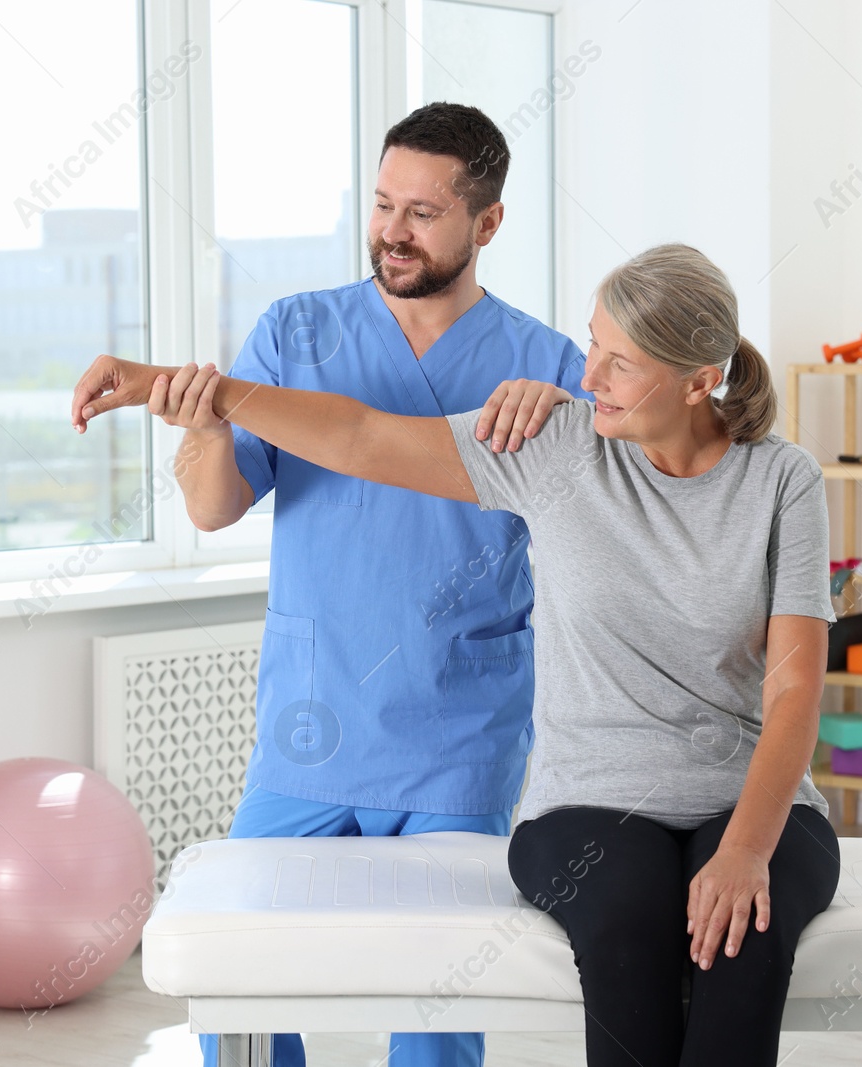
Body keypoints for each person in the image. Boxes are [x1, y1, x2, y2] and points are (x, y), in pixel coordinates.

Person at [71, 243, 841, 1066]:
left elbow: (795, 688)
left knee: (742, 947)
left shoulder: (781, 480)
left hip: (752, 798)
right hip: (594, 798)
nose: (589, 377)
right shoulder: (558, 447)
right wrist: (177, 385)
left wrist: (745, 850)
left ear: (699, 381)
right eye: (592, 347)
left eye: (621, 364)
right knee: (626, 932)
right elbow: (364, 438)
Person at [168, 101, 589, 1067]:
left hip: (458, 728)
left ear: (486, 224)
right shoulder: (296, 331)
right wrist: (201, 430)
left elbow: (605, 521)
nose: (392, 232)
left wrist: (572, 413)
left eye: (424, 213)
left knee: (438, 1008)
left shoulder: (545, 364)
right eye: (383, 203)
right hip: (312, 720)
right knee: (243, 977)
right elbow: (213, 506)